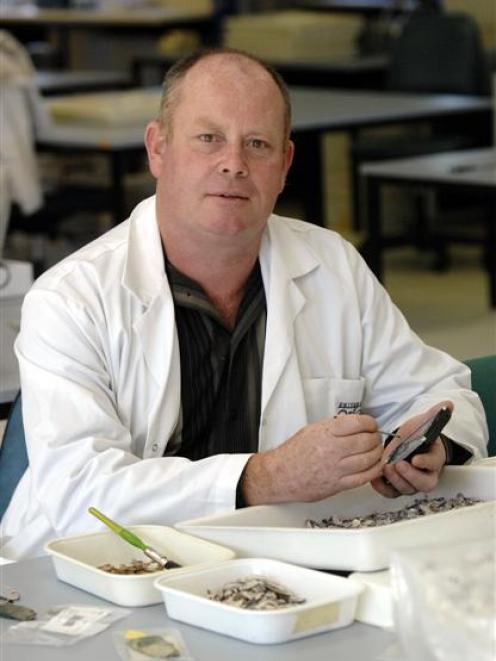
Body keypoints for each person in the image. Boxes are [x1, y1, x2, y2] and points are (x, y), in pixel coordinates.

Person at [0, 48, 488, 560]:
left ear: (285, 165)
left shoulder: (332, 266)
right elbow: (77, 493)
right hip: (95, 573)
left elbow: (437, 392)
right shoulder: (71, 298)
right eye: (209, 139)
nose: (233, 164)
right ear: (158, 149)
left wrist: (434, 445)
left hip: (280, 562)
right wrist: (261, 477)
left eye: (257, 144)